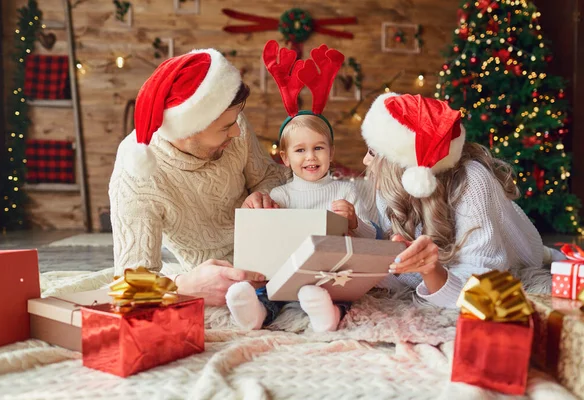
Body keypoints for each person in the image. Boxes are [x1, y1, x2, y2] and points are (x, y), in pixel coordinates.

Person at [109, 48, 289, 306]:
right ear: (187, 131)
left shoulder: (229, 119)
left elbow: (267, 176)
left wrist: (265, 195)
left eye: (236, 120)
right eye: (226, 127)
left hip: (275, 249)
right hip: (223, 278)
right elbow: (127, 287)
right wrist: (186, 286)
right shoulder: (136, 174)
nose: (237, 132)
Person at [225, 41, 374, 332]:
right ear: (285, 158)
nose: (311, 157)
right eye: (300, 150)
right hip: (285, 271)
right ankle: (255, 313)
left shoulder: (347, 192)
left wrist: (355, 222)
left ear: (331, 153)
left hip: (328, 274)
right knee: (269, 288)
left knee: (338, 289)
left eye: (319, 148)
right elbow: (266, 240)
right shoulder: (280, 195)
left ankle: (327, 313)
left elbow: (371, 235)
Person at [360, 92, 556, 308]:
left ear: (398, 161)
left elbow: (482, 283)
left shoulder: (473, 179)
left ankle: (554, 255)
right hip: (455, 251)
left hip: (518, 248)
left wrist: (431, 271)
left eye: (371, 151)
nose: (365, 160)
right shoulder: (388, 190)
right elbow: (408, 275)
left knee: (543, 257)